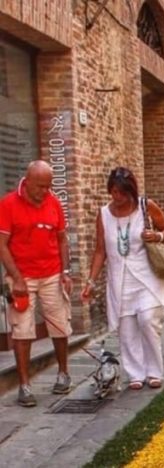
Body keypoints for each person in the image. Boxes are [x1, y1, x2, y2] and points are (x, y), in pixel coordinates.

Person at [81, 167, 164, 391]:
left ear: (131, 191)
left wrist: (157, 235)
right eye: (113, 192)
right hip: (119, 279)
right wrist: (91, 282)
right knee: (127, 328)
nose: (117, 197)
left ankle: (154, 371)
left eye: (122, 193)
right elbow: (100, 251)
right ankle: (135, 373)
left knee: (148, 321)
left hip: (147, 276)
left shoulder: (145, 206)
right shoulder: (104, 214)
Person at [0, 160, 73, 407]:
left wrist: (65, 272)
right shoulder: (8, 204)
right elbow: (2, 245)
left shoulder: (54, 202)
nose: (45, 191)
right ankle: (24, 385)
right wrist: (17, 279)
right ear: (27, 181)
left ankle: (63, 373)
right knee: (22, 330)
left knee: (59, 324)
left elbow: (62, 239)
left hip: (52, 273)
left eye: (48, 186)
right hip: (22, 277)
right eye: (40, 186)